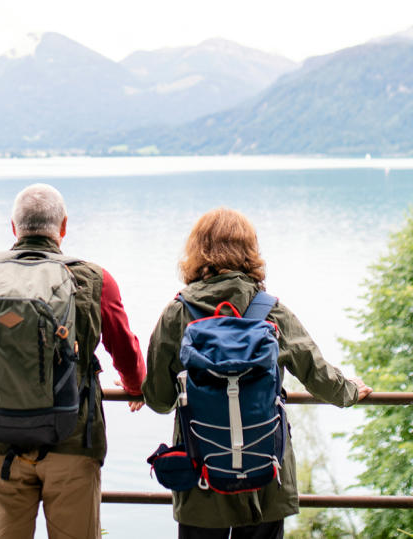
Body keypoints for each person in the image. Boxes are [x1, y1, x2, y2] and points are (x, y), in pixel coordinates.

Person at [0, 183, 146, 539]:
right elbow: (126, 352)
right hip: (73, 442)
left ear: (13, 228)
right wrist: (135, 387)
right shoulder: (94, 278)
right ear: (63, 227)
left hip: (0, 440)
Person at [143, 207, 372, 539]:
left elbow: (160, 399)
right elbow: (317, 374)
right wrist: (350, 389)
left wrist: (142, 385)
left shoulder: (178, 312)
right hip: (266, 473)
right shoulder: (270, 310)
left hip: (201, 472)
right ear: (250, 251)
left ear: (196, 251)